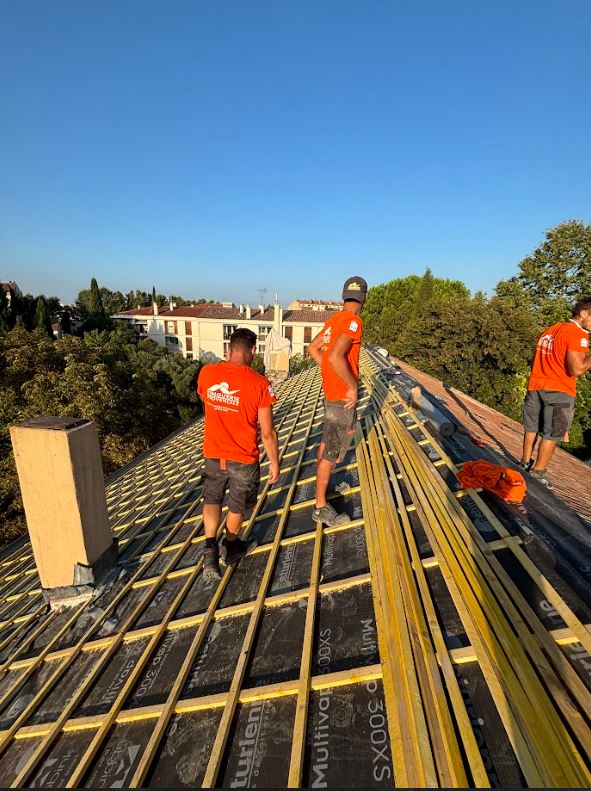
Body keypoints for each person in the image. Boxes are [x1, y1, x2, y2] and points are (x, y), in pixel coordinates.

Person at [197, 328, 280, 578]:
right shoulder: (260, 384)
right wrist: (274, 463)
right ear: (253, 351)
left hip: (213, 453)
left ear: (229, 349)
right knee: (237, 505)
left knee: (212, 499)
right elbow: (267, 433)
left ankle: (210, 549)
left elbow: (207, 402)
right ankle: (231, 546)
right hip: (243, 458)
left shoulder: (207, 373)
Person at [308, 276, 367, 525]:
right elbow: (335, 357)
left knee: (327, 441)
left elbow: (313, 348)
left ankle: (324, 488)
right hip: (342, 398)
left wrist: (330, 372)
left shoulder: (333, 321)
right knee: (332, 452)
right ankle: (320, 506)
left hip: (330, 394)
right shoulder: (353, 322)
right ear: (364, 298)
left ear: (344, 296)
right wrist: (352, 387)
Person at [520, 296, 591, 488]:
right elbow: (576, 369)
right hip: (559, 389)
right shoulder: (578, 335)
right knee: (553, 433)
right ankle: (539, 472)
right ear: (583, 313)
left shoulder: (550, 330)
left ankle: (525, 462)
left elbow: (536, 358)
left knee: (532, 427)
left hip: (536, 385)